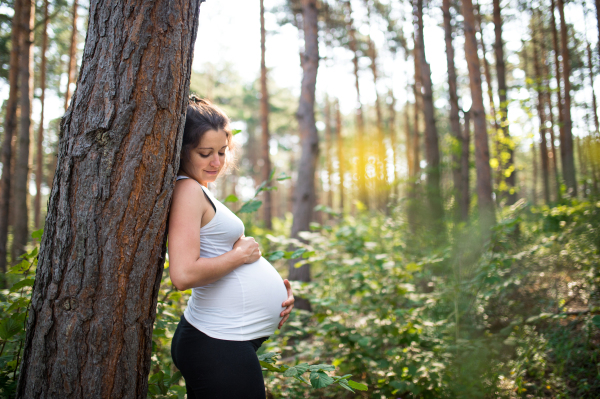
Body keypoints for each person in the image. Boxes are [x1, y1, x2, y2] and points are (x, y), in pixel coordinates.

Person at [168, 97, 295, 399]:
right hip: (216, 342)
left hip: (224, 339)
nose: (216, 162)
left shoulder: (198, 190)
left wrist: (278, 294)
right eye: (205, 153)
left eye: (222, 152)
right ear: (182, 150)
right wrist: (240, 256)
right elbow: (183, 275)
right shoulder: (187, 189)